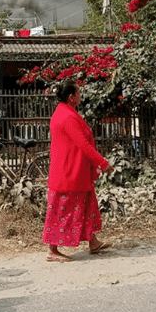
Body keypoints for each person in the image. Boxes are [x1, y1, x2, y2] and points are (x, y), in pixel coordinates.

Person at [42, 79, 114, 262]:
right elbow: (83, 145)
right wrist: (103, 163)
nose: (81, 96)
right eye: (79, 93)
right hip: (69, 172)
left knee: (86, 205)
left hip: (75, 170)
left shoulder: (65, 113)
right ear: (72, 97)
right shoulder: (67, 117)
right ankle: (52, 250)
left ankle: (93, 242)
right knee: (62, 211)